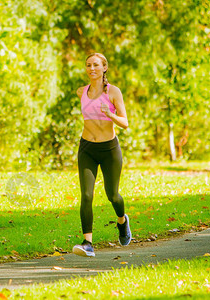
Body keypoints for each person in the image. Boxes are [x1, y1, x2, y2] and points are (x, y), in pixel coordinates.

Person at [72, 53, 131, 257]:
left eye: (96, 65)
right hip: (87, 148)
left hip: (109, 149)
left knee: (112, 195)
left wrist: (110, 114)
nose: (92, 68)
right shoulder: (82, 91)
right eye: (88, 65)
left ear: (104, 68)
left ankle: (122, 221)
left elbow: (125, 122)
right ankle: (88, 243)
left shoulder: (113, 92)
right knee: (87, 195)